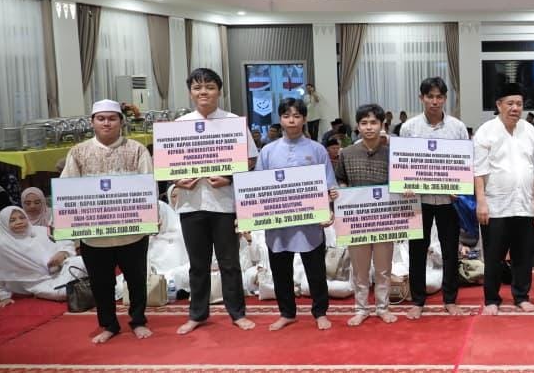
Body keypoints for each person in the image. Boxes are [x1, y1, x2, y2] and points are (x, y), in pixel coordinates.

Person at [59, 99, 157, 343]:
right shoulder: (78, 152)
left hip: (131, 231)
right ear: (92, 122)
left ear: (121, 121)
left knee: (136, 279)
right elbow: (67, 189)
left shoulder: (137, 150)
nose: (106, 123)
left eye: (112, 118)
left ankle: (138, 320)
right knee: (100, 282)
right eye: (101, 118)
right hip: (95, 234)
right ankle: (109, 324)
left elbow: (149, 185)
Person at [175, 68, 257, 335]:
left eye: (209, 87)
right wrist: (176, 180)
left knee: (229, 263)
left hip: (224, 204)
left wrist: (229, 177)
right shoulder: (179, 125)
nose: (203, 92)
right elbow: (167, 164)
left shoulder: (233, 122)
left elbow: (250, 160)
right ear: (190, 92)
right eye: (197, 87)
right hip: (191, 203)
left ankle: (237, 313)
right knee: (197, 264)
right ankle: (197, 314)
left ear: (219, 91)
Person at [256, 98, 339, 331]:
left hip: (310, 224)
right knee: (280, 270)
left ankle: (320, 312)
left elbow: (329, 184)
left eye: (296, 116)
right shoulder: (268, 151)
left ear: (304, 119)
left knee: (316, 270)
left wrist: (329, 208)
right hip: (278, 224)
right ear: (280, 119)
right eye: (286, 116)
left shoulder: (317, 150)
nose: (291, 120)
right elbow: (257, 186)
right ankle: (287, 313)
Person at [400, 77, 471, 320]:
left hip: (449, 201)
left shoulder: (457, 128)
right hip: (418, 201)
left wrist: (459, 185)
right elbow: (403, 163)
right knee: (417, 250)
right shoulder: (409, 128)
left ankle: (450, 299)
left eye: (439, 97)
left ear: (445, 99)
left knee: (450, 250)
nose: (434, 101)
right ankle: (418, 300)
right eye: (429, 96)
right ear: (421, 98)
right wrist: (405, 183)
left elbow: (464, 163)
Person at [473, 83, 534, 315]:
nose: (515, 108)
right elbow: (479, 170)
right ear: (499, 105)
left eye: (519, 104)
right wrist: (481, 201)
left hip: (524, 202)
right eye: (510, 103)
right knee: (494, 255)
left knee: (523, 254)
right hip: (495, 205)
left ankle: (521, 296)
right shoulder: (486, 131)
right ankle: (492, 299)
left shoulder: (530, 131)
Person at [335, 104, 399, 325]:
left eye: (373, 122)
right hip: (357, 220)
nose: (369, 127)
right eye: (364, 123)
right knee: (360, 269)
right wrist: (341, 192)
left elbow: (401, 181)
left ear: (382, 125)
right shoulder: (347, 153)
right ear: (357, 126)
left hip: (385, 218)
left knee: (383, 269)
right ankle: (361, 309)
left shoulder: (393, 154)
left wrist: (406, 188)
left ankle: (383, 307)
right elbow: (341, 179)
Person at [0, 207, 79, 307]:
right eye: (12, 220)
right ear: (4, 224)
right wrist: (3, 296)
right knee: (64, 293)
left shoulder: (39, 230)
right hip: (38, 283)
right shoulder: (2, 245)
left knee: (79, 262)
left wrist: (63, 253)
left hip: (60, 271)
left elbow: (64, 240)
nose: (19, 222)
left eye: (22, 218)